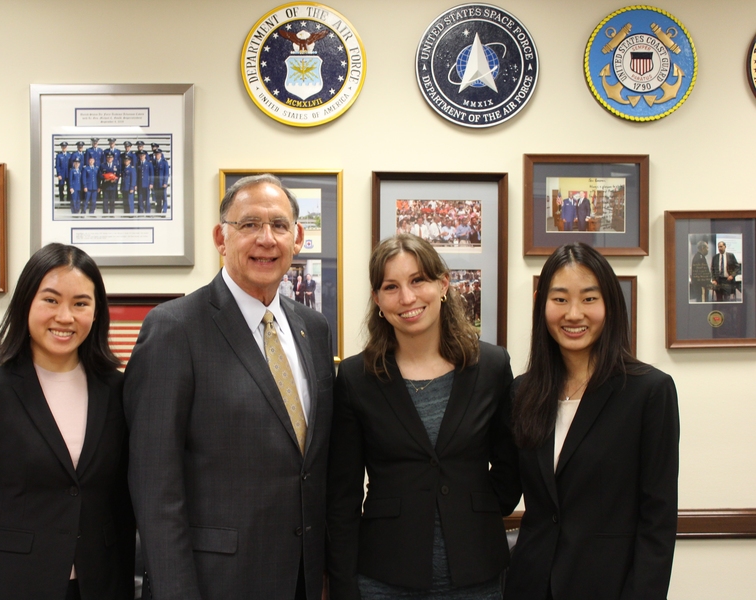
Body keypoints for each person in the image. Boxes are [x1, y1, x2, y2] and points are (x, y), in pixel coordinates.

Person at [123, 174, 335, 599]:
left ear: (298, 237)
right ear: (221, 237)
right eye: (250, 224)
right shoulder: (173, 328)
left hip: (302, 578)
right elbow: (153, 483)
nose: (266, 238)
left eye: (279, 225)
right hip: (212, 583)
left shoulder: (313, 327)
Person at [0, 243, 135, 600]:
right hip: (9, 585)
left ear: (97, 312)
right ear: (26, 302)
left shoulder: (118, 390)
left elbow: (122, 506)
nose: (65, 317)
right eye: (51, 300)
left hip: (100, 585)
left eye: (81, 303)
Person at [326, 233, 519, 600]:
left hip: (476, 573)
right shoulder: (355, 378)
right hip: (383, 576)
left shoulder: (492, 366)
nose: (407, 298)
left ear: (443, 284)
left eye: (418, 280)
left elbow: (511, 469)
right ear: (377, 300)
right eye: (391, 287)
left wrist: (473, 512)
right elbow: (342, 495)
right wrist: (342, 584)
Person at [505, 243, 679, 600]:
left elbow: (658, 519)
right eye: (559, 299)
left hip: (609, 586)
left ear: (610, 305)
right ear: (541, 303)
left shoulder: (649, 392)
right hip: (530, 584)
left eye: (588, 299)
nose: (573, 314)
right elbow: (505, 489)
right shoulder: (523, 392)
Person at [153, 147, 170, 212]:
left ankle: (164, 210)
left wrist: (165, 182)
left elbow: (166, 173)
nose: (157, 155)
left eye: (158, 154)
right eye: (156, 154)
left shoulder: (164, 162)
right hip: (156, 183)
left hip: (162, 183)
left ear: (160, 154)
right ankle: (158, 210)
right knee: (158, 198)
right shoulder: (154, 163)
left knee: (164, 197)